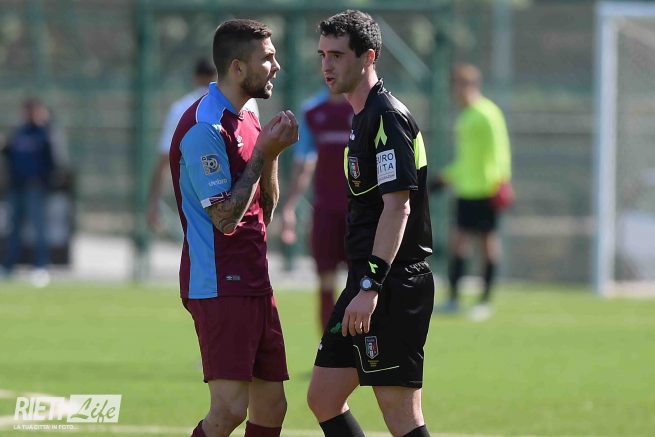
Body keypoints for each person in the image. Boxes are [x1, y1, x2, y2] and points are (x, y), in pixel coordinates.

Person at [307, 10, 434, 437]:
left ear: (369, 57)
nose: (327, 65)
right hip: (366, 280)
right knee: (323, 397)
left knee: (399, 412)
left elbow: (398, 208)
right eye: (323, 55)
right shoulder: (361, 117)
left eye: (338, 55)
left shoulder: (386, 118)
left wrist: (371, 287)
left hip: (391, 283)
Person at [169, 19, 298, 437]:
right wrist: (263, 153)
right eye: (268, 58)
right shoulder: (204, 128)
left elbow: (265, 209)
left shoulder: (249, 113)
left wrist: (271, 154)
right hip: (218, 281)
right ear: (238, 67)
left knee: (272, 407)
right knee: (228, 410)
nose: (277, 66)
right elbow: (225, 220)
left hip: (255, 279)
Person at [432, 64, 512, 321]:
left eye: (458, 86)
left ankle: (485, 301)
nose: (455, 92)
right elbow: (466, 160)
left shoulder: (488, 113)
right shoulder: (465, 117)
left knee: (488, 244)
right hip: (466, 190)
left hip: (487, 189)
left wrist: (502, 182)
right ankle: (454, 299)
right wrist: (446, 177)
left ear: (470, 86)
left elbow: (500, 151)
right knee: (458, 243)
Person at [147, 58, 259, 231]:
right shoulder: (247, 103)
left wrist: (153, 203)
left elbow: (164, 160)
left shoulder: (181, 108)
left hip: (198, 205)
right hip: (244, 201)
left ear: (196, 78)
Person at [280, 89, 353, 329]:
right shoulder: (312, 111)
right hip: (326, 211)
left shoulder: (364, 107)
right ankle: (329, 347)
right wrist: (289, 207)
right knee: (326, 282)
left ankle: (361, 347)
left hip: (360, 212)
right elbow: (304, 162)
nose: (331, 70)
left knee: (362, 284)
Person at [1, 98, 58, 287]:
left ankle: (41, 266)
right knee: (14, 229)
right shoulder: (20, 132)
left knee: (39, 229)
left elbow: (54, 160)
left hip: (36, 188)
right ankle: (8, 266)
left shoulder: (46, 133)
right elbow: (9, 152)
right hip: (17, 187)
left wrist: (45, 181)